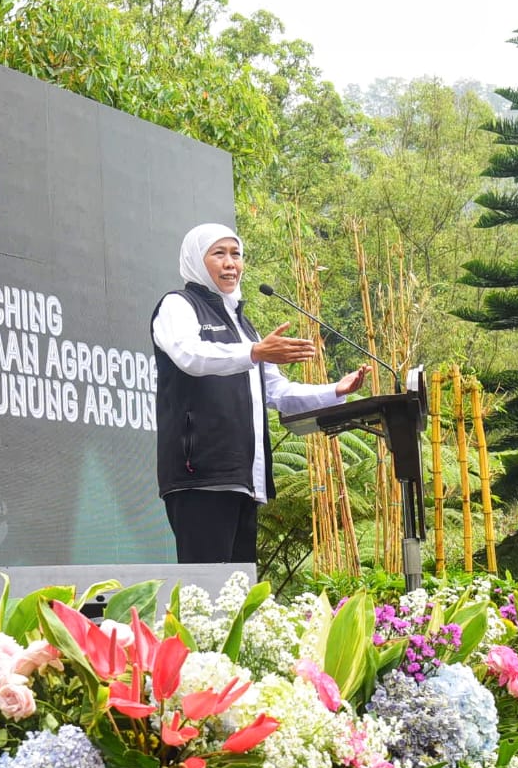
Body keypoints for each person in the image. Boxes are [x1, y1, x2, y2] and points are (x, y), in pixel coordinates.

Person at [150, 222, 370, 564]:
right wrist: (254, 352)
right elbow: (189, 355)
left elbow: (277, 391)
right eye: (219, 254)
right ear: (195, 259)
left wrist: (335, 391)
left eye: (236, 254)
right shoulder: (178, 306)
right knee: (206, 595)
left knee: (238, 594)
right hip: (201, 475)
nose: (230, 263)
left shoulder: (244, 325)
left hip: (244, 479)